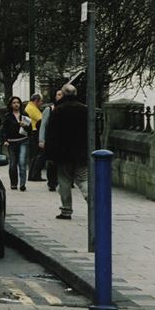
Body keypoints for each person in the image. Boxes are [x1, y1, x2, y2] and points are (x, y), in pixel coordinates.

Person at [44, 83, 88, 220]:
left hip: (62, 152)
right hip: (81, 151)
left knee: (64, 181)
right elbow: (92, 131)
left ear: (63, 94)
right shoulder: (85, 109)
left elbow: (51, 134)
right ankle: (93, 202)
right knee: (83, 179)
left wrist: (49, 153)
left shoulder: (58, 110)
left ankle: (66, 210)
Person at [2, 96, 32, 191]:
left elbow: (30, 129)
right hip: (11, 142)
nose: (16, 104)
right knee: (13, 163)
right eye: (14, 103)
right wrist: (5, 140)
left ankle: (22, 184)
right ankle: (14, 183)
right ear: (11, 105)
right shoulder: (8, 116)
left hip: (23, 140)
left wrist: (25, 126)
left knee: (22, 162)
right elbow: (4, 130)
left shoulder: (24, 115)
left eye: (18, 102)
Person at [35, 90, 62, 190]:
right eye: (58, 94)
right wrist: (41, 140)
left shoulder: (66, 109)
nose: (60, 96)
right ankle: (52, 182)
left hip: (62, 140)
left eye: (62, 94)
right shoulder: (49, 109)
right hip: (51, 140)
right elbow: (43, 125)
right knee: (52, 162)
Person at [25, 93, 44, 181]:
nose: (42, 103)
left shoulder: (30, 107)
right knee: (37, 155)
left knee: (34, 155)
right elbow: (42, 119)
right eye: (41, 101)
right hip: (35, 132)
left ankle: (33, 175)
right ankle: (34, 175)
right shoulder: (33, 109)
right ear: (36, 101)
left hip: (32, 132)